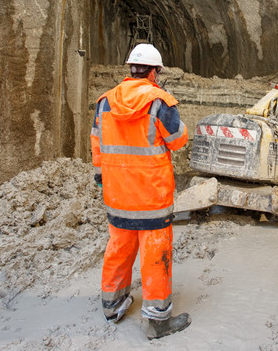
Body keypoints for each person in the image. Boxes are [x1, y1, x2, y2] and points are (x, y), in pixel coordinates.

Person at [90, 43, 191, 339]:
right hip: (151, 197)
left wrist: (102, 177)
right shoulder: (160, 101)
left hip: (118, 194)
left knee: (119, 248)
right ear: (154, 71)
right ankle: (157, 320)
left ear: (131, 68)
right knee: (155, 255)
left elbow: (98, 142)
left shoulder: (105, 102)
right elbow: (177, 140)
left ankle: (113, 305)